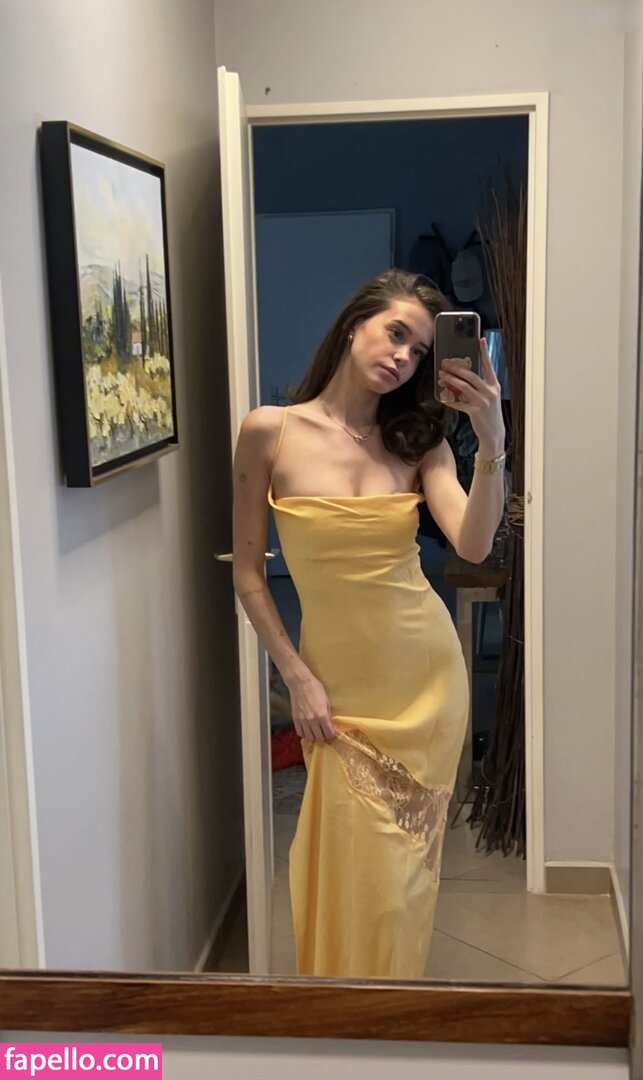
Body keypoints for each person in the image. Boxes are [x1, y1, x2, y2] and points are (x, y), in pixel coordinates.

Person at [232, 269, 506, 978]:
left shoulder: (419, 443)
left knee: (401, 886)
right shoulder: (269, 431)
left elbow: (473, 543)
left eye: (419, 351)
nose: (404, 357)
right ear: (355, 324)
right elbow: (247, 574)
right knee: (346, 864)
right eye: (396, 334)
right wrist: (295, 677)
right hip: (336, 689)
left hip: (424, 681)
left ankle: (388, 1013)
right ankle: (338, 1009)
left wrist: (491, 441)